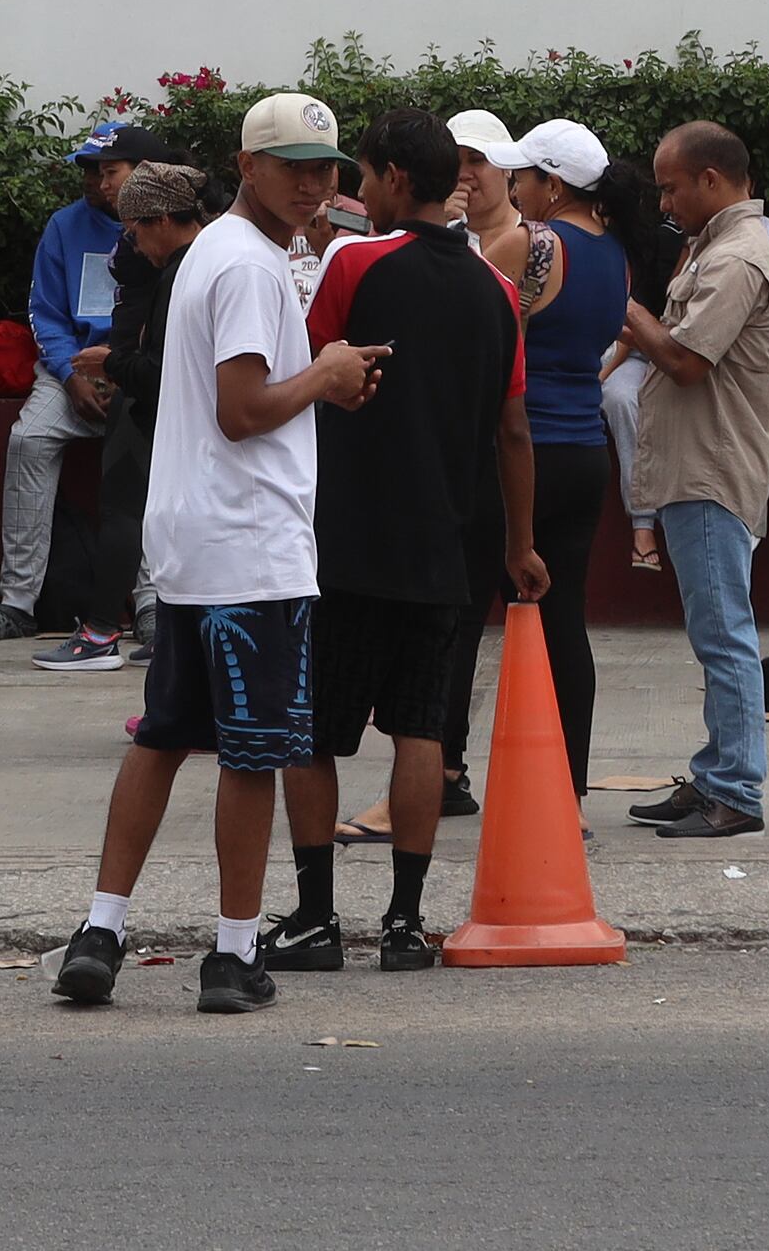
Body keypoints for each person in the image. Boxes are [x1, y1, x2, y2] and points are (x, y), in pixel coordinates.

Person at [50, 94, 383, 1016]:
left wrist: (315, 379)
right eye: (295, 165)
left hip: (196, 536)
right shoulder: (249, 264)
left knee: (163, 736)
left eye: (326, 166)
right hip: (249, 542)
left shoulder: (215, 253)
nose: (315, 183)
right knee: (251, 751)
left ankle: (101, 930)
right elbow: (244, 409)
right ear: (248, 165)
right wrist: (327, 372)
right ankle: (233, 953)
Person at [279, 110, 541, 973]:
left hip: (344, 539)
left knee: (313, 733)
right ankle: (402, 923)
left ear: (394, 177)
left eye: (364, 175)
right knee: (421, 730)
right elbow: (513, 431)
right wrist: (519, 544)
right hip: (447, 543)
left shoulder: (354, 261)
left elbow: (310, 368)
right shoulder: (497, 291)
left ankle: (316, 918)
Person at [613, 120, 769, 838]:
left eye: (671, 185)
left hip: (713, 469)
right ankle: (716, 770)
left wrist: (624, 310)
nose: (663, 201)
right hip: (695, 464)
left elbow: (686, 361)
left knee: (724, 635)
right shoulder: (716, 246)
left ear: (711, 180)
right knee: (714, 631)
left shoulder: (738, 258)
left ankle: (736, 790)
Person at [0, 121, 142, 644]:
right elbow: (44, 314)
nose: (93, 180)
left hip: (135, 373)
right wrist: (70, 376)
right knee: (28, 439)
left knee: (156, 457)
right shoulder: (63, 227)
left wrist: (124, 369)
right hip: (72, 373)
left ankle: (153, 602)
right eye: (87, 169)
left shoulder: (158, 225)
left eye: (104, 169)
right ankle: (19, 601)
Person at [499, 124, 623, 791]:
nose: (513, 188)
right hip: (584, 450)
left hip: (525, 450)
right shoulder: (617, 254)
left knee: (464, 620)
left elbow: (465, 299)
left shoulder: (534, 242)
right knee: (564, 617)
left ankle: (452, 768)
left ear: (554, 184)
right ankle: (565, 786)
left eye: (521, 176)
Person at [51, 162, 209, 682]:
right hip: (172, 415)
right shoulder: (193, 263)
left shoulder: (185, 274)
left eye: (135, 229)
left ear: (162, 219)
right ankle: (172, 645)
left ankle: (102, 632)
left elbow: (166, 374)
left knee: (126, 510)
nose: (131, 242)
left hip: (164, 414)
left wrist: (110, 364)